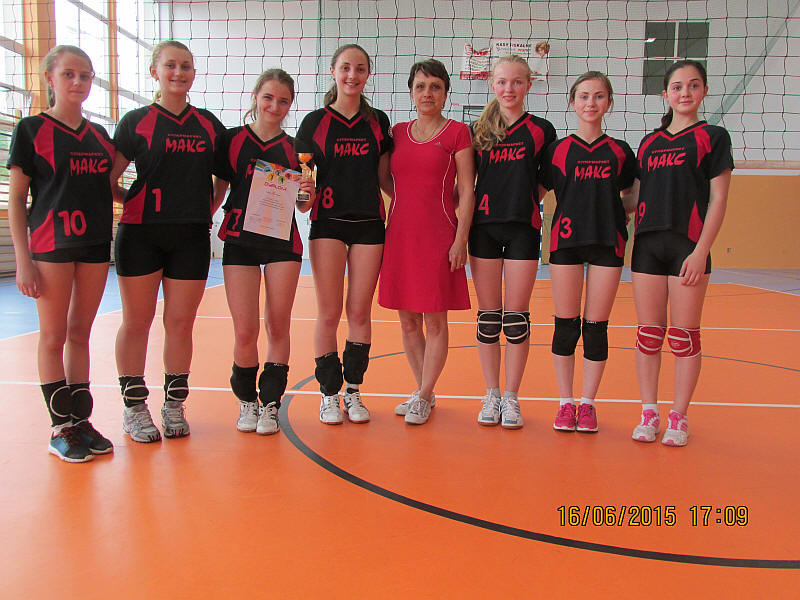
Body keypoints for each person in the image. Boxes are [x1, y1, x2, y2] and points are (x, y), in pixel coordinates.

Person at [109, 40, 226, 442]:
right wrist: (132, 201)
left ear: (194, 73)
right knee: (137, 321)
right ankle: (134, 407)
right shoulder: (136, 121)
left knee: (180, 323)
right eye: (171, 65)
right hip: (140, 234)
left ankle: (174, 404)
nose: (179, 72)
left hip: (191, 236)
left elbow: (223, 175)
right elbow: (109, 178)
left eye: (186, 66)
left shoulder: (208, 124)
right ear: (154, 71)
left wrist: (208, 207)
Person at [7, 45, 115, 462]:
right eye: (69, 74)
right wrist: (23, 259)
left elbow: (109, 189)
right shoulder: (31, 129)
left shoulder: (100, 135)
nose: (78, 82)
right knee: (53, 336)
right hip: (51, 245)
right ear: (50, 78)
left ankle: (81, 421)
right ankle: (59, 428)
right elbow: (17, 198)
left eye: (85, 75)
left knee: (80, 333)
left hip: (94, 244)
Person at [631, 60, 733, 446]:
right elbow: (636, 197)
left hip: (688, 247)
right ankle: (649, 412)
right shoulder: (649, 142)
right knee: (648, 334)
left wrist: (701, 251)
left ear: (704, 91)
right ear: (666, 94)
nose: (685, 92)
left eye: (693, 85)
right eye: (677, 86)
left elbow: (718, 199)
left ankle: (678, 415)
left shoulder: (713, 137)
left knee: (684, 336)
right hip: (647, 247)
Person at [294, 44, 392, 425]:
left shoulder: (377, 122)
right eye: (346, 67)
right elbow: (304, 194)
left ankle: (353, 390)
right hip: (328, 223)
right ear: (334, 71)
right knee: (329, 311)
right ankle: (328, 394)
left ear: (368, 74)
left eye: (360, 69)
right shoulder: (314, 122)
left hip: (369, 222)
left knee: (359, 311)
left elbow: (385, 178)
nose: (352, 75)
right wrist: (302, 196)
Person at [214, 69, 314, 435]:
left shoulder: (297, 149)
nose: (275, 106)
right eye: (269, 97)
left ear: (290, 105)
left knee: (277, 324)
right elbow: (219, 190)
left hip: (281, 242)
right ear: (256, 96)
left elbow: (302, 205)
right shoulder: (231, 140)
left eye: (283, 101)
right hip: (239, 240)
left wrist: (307, 192)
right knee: (245, 330)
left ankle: (270, 403)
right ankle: (247, 402)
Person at [379, 59, 475, 425]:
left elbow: (467, 190)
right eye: (420, 86)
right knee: (407, 320)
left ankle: (422, 395)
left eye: (435, 86)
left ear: (446, 93)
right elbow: (386, 180)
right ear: (411, 92)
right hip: (400, 234)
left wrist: (460, 239)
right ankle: (424, 393)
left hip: (439, 236)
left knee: (434, 320)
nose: (427, 93)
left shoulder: (457, 133)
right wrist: (406, 201)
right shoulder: (398, 133)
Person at [541, 71, 637, 433]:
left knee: (596, 327)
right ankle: (565, 402)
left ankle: (588, 404)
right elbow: (537, 191)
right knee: (566, 326)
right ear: (573, 102)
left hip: (607, 242)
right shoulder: (557, 150)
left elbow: (634, 193)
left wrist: (612, 209)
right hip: (565, 242)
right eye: (583, 96)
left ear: (608, 103)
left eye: (598, 96)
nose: (591, 103)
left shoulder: (620, 151)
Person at [469, 55, 556, 429]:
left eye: (517, 82)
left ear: (529, 85)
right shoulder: (477, 130)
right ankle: (491, 394)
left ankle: (511, 397)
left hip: (523, 228)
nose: (509, 89)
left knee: (517, 318)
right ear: (492, 84)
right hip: (483, 229)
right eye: (502, 82)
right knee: (489, 317)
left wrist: (521, 201)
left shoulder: (541, 130)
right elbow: (465, 183)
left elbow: (546, 179)